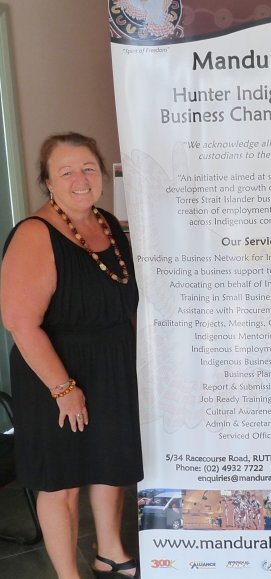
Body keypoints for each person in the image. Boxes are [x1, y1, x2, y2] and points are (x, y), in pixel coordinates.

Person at [0, 133, 143, 578]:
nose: (80, 179)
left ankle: (111, 552)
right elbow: (20, 322)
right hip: (55, 374)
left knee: (110, 465)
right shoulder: (34, 233)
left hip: (112, 366)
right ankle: (68, 574)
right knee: (61, 481)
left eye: (88, 168)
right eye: (66, 171)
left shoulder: (107, 224)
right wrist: (64, 389)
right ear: (47, 181)